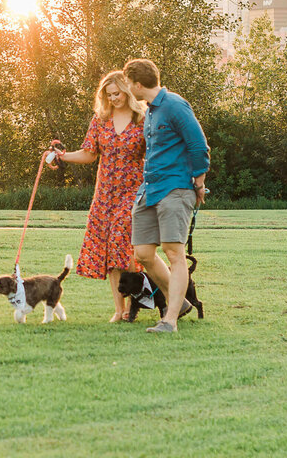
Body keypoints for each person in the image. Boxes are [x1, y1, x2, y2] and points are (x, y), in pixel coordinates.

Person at [123, 58, 209, 334]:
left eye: (127, 83)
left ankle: (169, 320)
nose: (127, 89)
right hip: (149, 190)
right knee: (144, 253)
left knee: (174, 253)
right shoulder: (149, 111)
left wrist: (199, 182)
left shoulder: (174, 105)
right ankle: (180, 302)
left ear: (137, 83)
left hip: (175, 188)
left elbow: (198, 145)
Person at [55, 70, 148, 322]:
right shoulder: (101, 119)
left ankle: (135, 304)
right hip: (105, 194)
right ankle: (120, 310)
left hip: (133, 190)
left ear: (127, 91)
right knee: (109, 251)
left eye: (117, 93)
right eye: (109, 95)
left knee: (123, 244)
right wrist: (63, 157)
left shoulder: (142, 117)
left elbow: (156, 152)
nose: (114, 98)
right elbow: (89, 153)